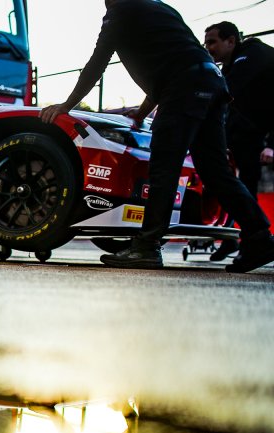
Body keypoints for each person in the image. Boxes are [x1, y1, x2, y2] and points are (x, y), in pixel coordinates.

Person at [39, 0, 274, 273]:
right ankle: (260, 239)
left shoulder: (120, 11)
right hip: (211, 83)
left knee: (164, 168)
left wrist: (66, 106)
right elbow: (174, 62)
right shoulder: (159, 8)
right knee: (216, 172)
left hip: (184, 88)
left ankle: (147, 246)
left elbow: (97, 64)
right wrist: (141, 113)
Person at [203, 21, 274, 261]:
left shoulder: (252, 54)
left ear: (231, 41)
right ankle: (239, 241)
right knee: (237, 186)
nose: (208, 48)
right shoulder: (231, 65)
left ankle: (252, 242)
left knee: (244, 187)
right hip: (248, 136)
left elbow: (224, 91)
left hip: (263, 136)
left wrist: (271, 145)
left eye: (212, 42)